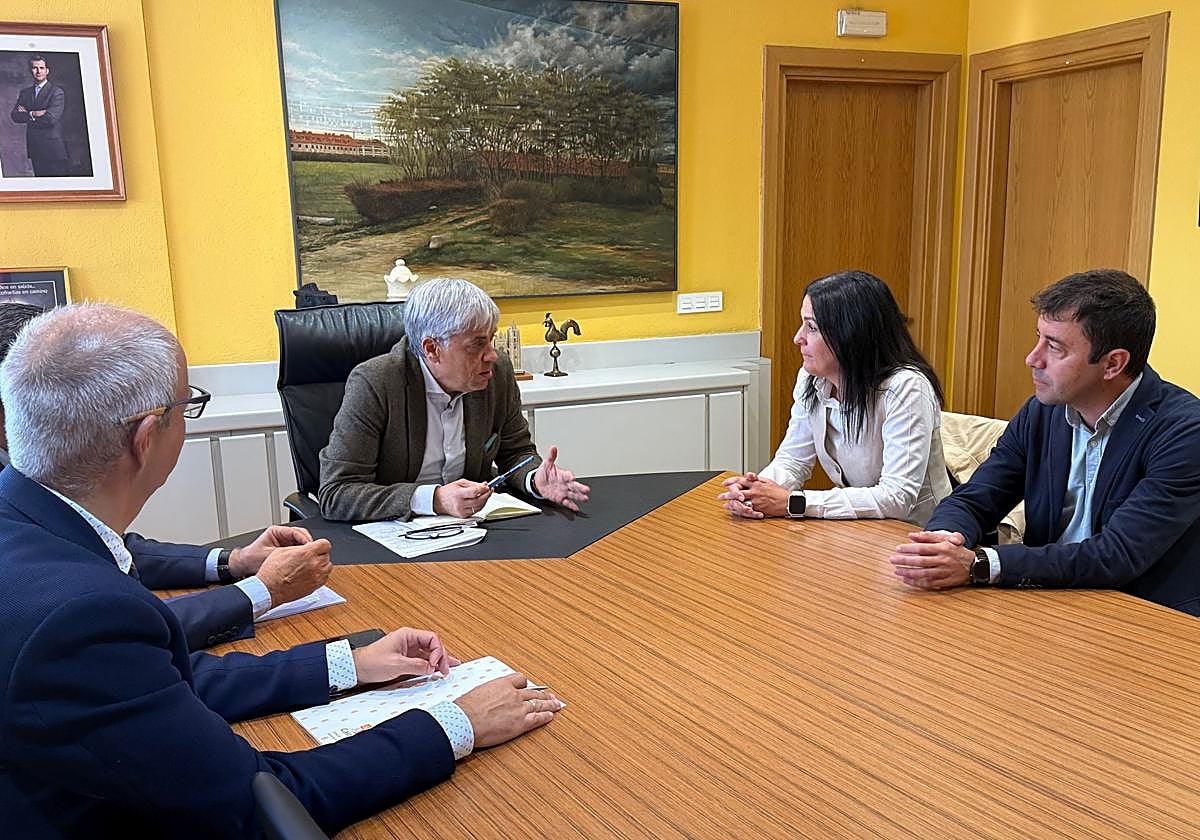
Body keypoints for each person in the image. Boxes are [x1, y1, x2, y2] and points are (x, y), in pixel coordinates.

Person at [0, 302, 563, 836]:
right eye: (186, 404)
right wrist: (457, 723)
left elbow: (167, 680)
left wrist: (351, 663)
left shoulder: (29, 529)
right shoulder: (78, 617)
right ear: (146, 439)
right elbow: (262, 803)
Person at [0, 302, 329, 652]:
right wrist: (264, 589)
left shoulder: (28, 494)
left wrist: (234, 561)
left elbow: (114, 549)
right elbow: (118, 630)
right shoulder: (55, 585)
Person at [889, 269, 1200, 615]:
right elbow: (977, 498)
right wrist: (943, 544)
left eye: (1054, 347)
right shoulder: (1042, 412)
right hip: (1047, 600)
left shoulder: (1185, 431)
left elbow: (1117, 555)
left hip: (1145, 615)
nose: (1032, 359)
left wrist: (980, 564)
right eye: (1038, 338)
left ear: (1113, 363)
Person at [320, 277, 590, 520]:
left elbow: (517, 453)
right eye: (477, 344)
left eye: (491, 340)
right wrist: (434, 500)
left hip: (476, 533)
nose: (491, 355)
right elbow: (338, 492)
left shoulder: (497, 373)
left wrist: (535, 480)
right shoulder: (376, 383)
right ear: (432, 349)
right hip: (395, 541)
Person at [718, 270, 951, 526]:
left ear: (852, 334)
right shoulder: (812, 378)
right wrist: (756, 490)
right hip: (857, 529)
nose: (798, 338)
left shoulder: (906, 387)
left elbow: (896, 497)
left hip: (916, 536)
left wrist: (793, 502)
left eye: (812, 327)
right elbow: (793, 460)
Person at [9, 55, 69, 177]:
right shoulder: (25, 93)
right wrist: (35, 113)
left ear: (47, 71)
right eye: (34, 68)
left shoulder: (56, 92)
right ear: (30, 70)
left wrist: (27, 113)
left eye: (41, 68)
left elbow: (50, 119)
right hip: (36, 148)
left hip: (53, 150)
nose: (38, 71)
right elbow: (15, 116)